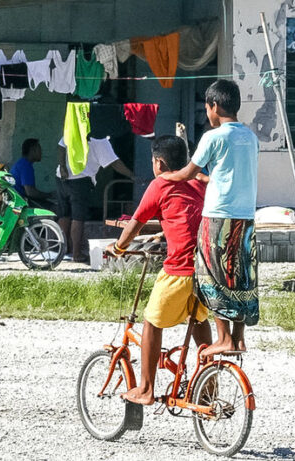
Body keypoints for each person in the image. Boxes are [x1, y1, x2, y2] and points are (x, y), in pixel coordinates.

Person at [108, 135, 212, 406]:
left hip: (179, 269)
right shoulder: (199, 182)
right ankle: (209, 383)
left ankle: (146, 388)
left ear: (158, 162)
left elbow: (135, 223)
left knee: (152, 322)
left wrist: (118, 248)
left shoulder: (161, 183)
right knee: (198, 320)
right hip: (207, 269)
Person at [160, 79, 260, 357]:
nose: (207, 113)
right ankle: (239, 339)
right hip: (245, 217)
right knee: (240, 275)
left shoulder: (213, 137)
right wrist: (208, 177)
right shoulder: (249, 137)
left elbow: (186, 173)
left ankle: (224, 337)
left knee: (211, 275)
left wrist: (166, 176)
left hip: (217, 217)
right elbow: (227, 173)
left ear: (214, 106)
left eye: (207, 108)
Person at [57, 136, 135, 263]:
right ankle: (76, 254)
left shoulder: (74, 129)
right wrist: (132, 176)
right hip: (81, 180)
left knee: (64, 214)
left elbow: (61, 146)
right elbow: (114, 163)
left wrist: (62, 166)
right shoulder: (101, 142)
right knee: (78, 217)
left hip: (61, 177)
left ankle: (61, 251)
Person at [9, 138, 53, 208]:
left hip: (16, 200)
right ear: (33, 150)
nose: (41, 152)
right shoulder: (25, 166)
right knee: (56, 209)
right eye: (39, 149)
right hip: (18, 204)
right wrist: (50, 195)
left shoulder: (22, 163)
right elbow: (31, 193)